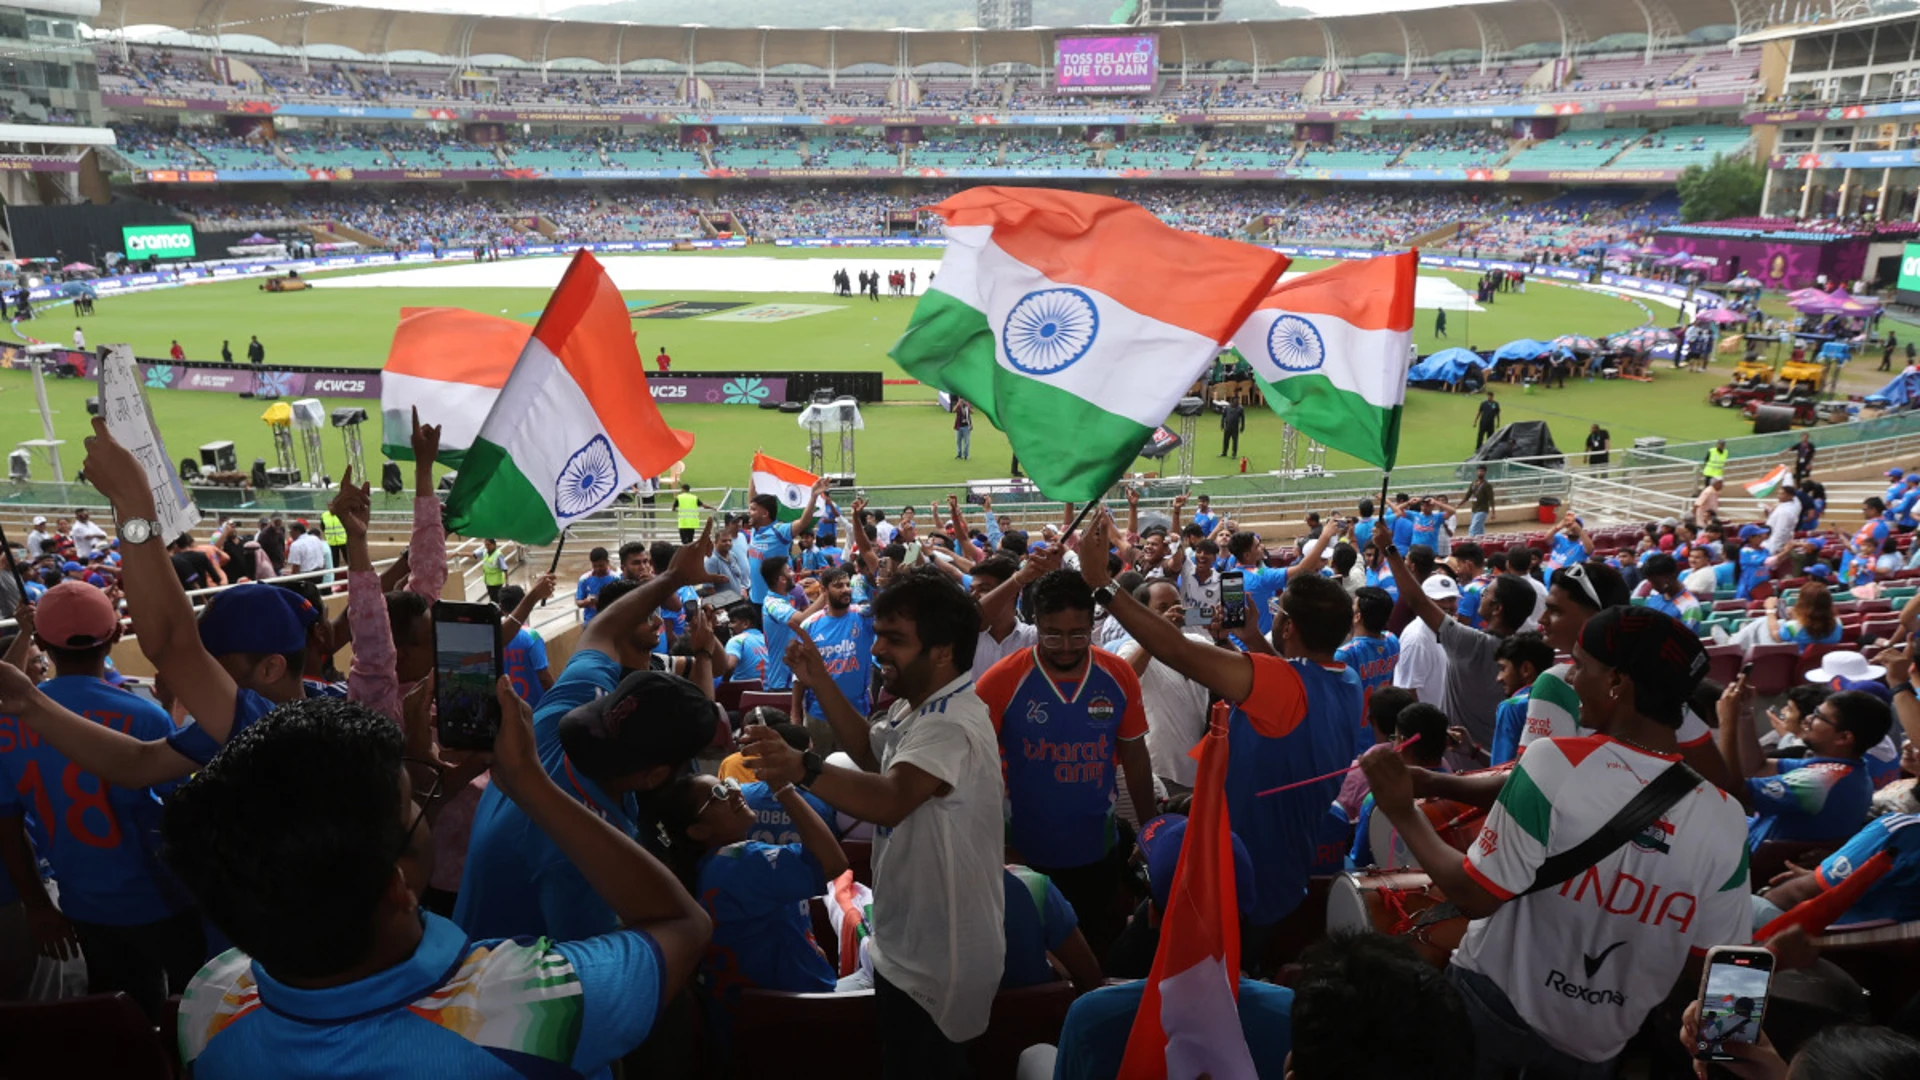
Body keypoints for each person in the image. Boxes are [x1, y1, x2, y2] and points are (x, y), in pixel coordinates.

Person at [160, 690, 710, 1079]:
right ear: (397, 885)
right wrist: (529, 785)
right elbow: (680, 924)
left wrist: (431, 789)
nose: (426, 805)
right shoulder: (529, 1008)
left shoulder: (210, 998)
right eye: (413, 806)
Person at [1362, 606, 1750, 1077]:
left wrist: (1402, 811)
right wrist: (1725, 1054)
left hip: (1494, 1009)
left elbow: (1475, 895)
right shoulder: (1726, 816)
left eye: (1581, 665)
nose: (1569, 678)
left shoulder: (1555, 761)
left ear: (1617, 683)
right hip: (1597, 1044)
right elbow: (1728, 966)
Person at [743, 568, 1004, 1079]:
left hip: (939, 960)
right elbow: (867, 752)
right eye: (879, 634)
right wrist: (818, 678)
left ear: (943, 650)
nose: (878, 648)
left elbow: (892, 799)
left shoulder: (949, 724)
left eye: (895, 639)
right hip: (905, 946)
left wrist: (802, 767)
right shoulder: (919, 708)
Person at [1076, 509, 1364, 955]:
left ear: (1287, 626)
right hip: (1285, 871)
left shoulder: (1283, 687)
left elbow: (1174, 649)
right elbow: (1294, 679)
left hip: (1237, 883)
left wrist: (1102, 584)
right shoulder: (1347, 680)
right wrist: (1251, 638)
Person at [456, 533, 725, 942]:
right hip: (500, 996)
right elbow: (585, 983)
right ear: (653, 776)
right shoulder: (598, 858)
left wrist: (673, 577)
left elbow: (603, 626)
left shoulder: (557, 719)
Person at [0, 585, 200, 1020]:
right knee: (189, 1010)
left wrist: (36, 905)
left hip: (84, 907)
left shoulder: (12, 721)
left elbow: (8, 825)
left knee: (124, 1016)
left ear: (44, 644)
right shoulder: (146, 716)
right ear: (114, 637)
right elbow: (183, 814)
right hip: (168, 899)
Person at [977, 570, 1155, 951]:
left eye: (1078, 633)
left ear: (1094, 624)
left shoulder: (1118, 674)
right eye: (1052, 633)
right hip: (1024, 855)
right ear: (1034, 623)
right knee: (1034, 957)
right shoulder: (1000, 681)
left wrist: (1150, 829)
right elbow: (975, 768)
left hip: (1097, 852)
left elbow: (1136, 758)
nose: (1066, 646)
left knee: (1094, 948)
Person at [655, 770, 847, 1009]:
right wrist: (784, 789)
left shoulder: (712, 865)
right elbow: (832, 863)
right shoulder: (743, 861)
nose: (735, 792)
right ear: (698, 831)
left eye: (728, 785)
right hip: (798, 1013)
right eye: (719, 794)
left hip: (749, 1016)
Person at [1380, 528, 1534, 753]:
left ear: (1497, 608)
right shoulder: (1525, 652)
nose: (1480, 596)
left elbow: (1418, 601)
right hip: (1493, 755)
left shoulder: (1473, 644)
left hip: (1465, 761)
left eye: (1486, 594)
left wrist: (1390, 550)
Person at [1719, 681, 1890, 850]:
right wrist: (1743, 714)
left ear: (1844, 738)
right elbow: (1758, 769)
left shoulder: (1819, 781)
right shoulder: (1850, 770)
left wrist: (1727, 721)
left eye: (1818, 716)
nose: (1808, 718)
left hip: (1746, 860)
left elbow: (1732, 789)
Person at [796, 566, 876, 725]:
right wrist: (795, 713)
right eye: (839, 586)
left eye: (848, 585)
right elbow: (798, 675)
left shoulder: (863, 616)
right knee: (819, 751)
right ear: (824, 590)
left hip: (856, 711)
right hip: (819, 714)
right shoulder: (809, 625)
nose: (846, 590)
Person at [745, 485, 826, 605]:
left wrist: (813, 497)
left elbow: (803, 522)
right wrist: (754, 471)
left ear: (765, 514)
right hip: (754, 599)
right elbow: (752, 499)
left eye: (753, 510)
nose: (749, 513)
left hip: (775, 603)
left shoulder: (779, 531)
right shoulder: (755, 529)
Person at [1487, 632, 1553, 766]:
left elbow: (1501, 772)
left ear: (1526, 669)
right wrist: (1473, 751)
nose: (1499, 678)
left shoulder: (1511, 707)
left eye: (1503, 668)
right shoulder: (1562, 700)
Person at [1335, 585, 1400, 709]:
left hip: (1355, 725)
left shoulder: (1346, 654)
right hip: (1382, 721)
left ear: (1357, 617)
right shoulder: (1393, 640)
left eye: (1353, 606)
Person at [1392, 574, 1453, 703]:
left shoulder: (1448, 628)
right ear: (1426, 602)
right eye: (1441, 599)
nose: (1447, 605)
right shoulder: (1417, 639)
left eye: (1451, 599)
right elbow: (1407, 690)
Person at [574, 546, 619, 622]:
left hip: (611, 622)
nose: (598, 569)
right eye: (595, 566)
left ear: (607, 562)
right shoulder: (584, 579)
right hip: (590, 622)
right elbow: (578, 602)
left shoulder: (616, 579)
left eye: (601, 565)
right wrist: (587, 601)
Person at [1462, 467, 1494, 536]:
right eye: (1479, 471)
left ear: (1485, 473)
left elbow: (1491, 499)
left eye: (1482, 471)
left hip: (1482, 510)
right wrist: (1459, 504)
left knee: (1473, 528)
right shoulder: (1473, 484)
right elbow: (1467, 495)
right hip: (1474, 509)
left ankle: (1470, 541)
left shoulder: (1487, 485)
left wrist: (1493, 512)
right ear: (1477, 472)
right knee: (1480, 528)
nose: (1480, 473)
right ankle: (1481, 541)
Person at [476, 537, 509, 603]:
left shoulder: (498, 554)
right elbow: (473, 555)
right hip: (488, 581)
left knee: (497, 600)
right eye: (485, 545)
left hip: (497, 583)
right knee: (492, 599)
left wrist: (507, 583)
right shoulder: (485, 552)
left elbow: (505, 569)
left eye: (488, 545)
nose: (487, 546)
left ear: (494, 544)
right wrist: (458, 554)